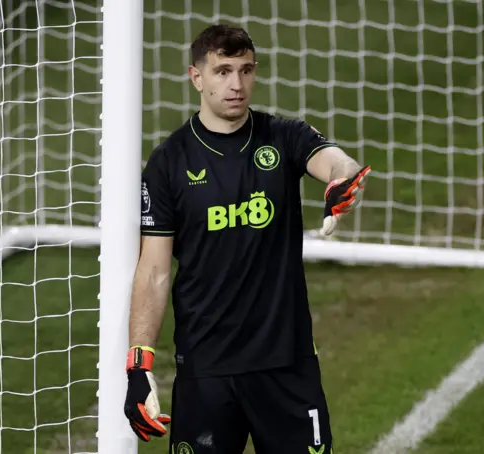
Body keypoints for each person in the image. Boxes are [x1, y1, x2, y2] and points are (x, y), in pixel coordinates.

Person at [123, 24, 371, 454]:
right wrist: (139, 366)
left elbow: (336, 162)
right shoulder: (168, 163)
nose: (236, 84)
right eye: (222, 71)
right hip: (206, 371)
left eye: (246, 70)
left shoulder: (283, 136)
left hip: (287, 364)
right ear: (196, 77)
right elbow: (155, 271)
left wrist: (341, 183)